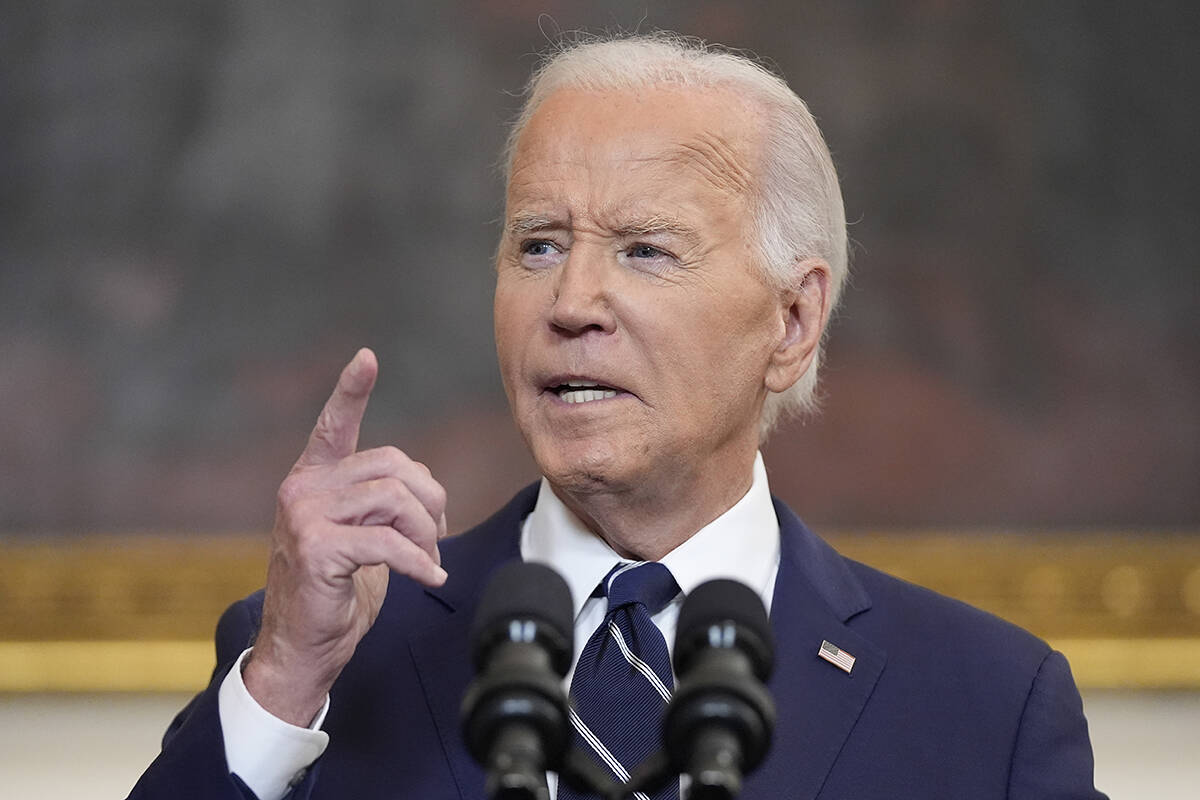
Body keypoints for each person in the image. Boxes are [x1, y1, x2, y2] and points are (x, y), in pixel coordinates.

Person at [129, 33, 1105, 800]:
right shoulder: (327, 653)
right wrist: (284, 682)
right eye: (540, 244)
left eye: (644, 249)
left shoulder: (982, 702)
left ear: (794, 319)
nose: (571, 302)